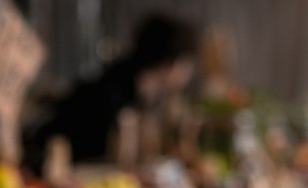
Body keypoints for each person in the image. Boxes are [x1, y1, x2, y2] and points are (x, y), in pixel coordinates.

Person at [26, 15, 198, 167]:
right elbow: (96, 157)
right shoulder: (113, 95)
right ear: (171, 64)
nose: (189, 74)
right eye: (187, 65)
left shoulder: (137, 91)